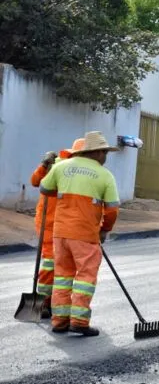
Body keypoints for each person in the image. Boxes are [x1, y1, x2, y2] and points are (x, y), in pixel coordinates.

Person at [39, 131, 121, 336]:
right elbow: (112, 210)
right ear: (97, 152)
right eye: (105, 152)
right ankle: (79, 322)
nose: (106, 156)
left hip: (60, 233)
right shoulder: (105, 175)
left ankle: (59, 321)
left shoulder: (61, 167)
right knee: (85, 278)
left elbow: (44, 189)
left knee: (62, 276)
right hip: (85, 234)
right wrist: (104, 230)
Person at [28, 139, 84, 318]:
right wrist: (44, 166)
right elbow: (36, 181)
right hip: (49, 223)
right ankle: (44, 302)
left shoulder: (83, 172)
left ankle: (55, 301)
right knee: (51, 263)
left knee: (64, 266)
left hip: (66, 224)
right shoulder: (57, 166)